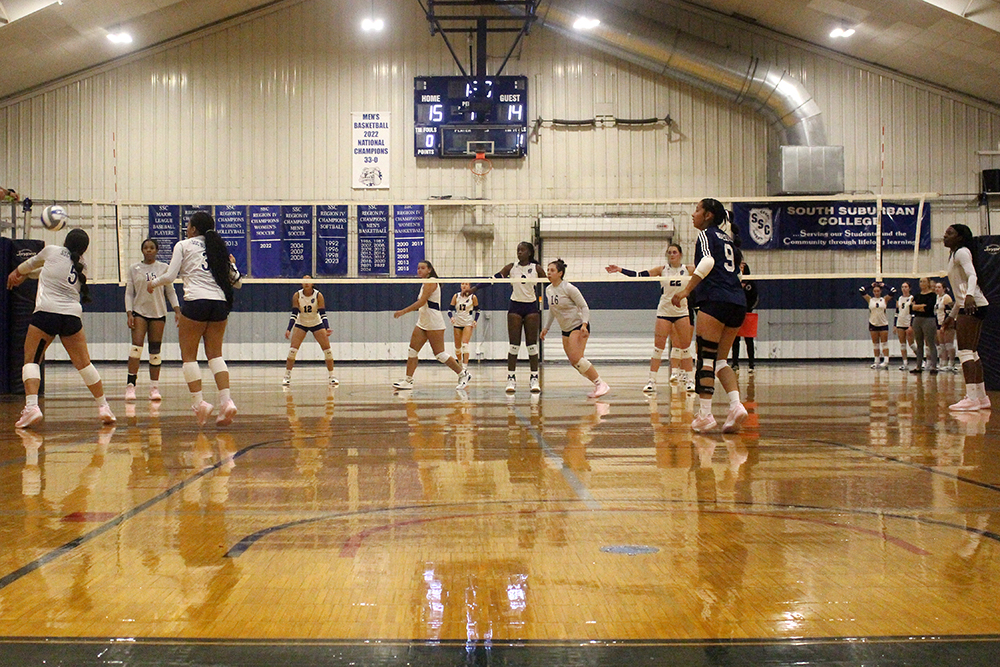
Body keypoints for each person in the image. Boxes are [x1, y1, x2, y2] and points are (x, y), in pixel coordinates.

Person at [7, 229, 116, 428]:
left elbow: (29, 265)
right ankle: (104, 407)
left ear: (66, 240)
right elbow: (45, 271)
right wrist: (26, 276)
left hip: (46, 314)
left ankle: (32, 407)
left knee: (31, 360)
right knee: (84, 364)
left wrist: (17, 273)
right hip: (72, 317)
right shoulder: (82, 266)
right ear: (84, 249)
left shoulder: (51, 251)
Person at [147, 211, 242, 427]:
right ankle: (226, 401)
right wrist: (233, 264)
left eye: (188, 225)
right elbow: (238, 283)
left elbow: (170, 276)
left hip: (196, 302)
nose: (187, 228)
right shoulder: (218, 248)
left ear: (193, 229)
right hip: (219, 304)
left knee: (189, 356)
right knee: (215, 355)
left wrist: (153, 283)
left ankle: (200, 404)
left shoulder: (184, 245)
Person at [670, 198, 748, 433]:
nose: (693, 214)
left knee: (705, 358)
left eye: (697, 210)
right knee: (721, 360)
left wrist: (686, 290)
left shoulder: (707, 235)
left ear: (708, 216)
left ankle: (705, 415)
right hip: (738, 303)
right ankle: (736, 406)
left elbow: (708, 261)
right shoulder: (730, 241)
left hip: (716, 301)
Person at [605, 243, 696, 393]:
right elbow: (638, 275)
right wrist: (619, 269)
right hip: (664, 312)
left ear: (680, 254)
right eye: (669, 252)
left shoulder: (688, 269)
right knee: (658, 349)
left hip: (681, 312)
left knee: (685, 348)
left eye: (674, 252)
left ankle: (690, 381)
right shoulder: (661, 270)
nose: (672, 254)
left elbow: (707, 272)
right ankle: (651, 382)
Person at [392, 260, 472, 391]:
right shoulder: (424, 283)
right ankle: (408, 380)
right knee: (412, 351)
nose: (419, 270)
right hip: (423, 322)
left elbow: (421, 302)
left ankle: (463, 374)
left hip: (434, 322)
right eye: (418, 268)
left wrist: (403, 311)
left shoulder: (431, 281)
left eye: (422, 268)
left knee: (440, 354)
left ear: (429, 270)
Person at [541, 259, 610, 398]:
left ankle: (601, 384)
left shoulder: (569, 288)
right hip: (565, 329)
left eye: (552, 270)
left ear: (560, 273)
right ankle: (598, 385)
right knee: (574, 362)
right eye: (548, 270)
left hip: (578, 326)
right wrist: (546, 328)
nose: (548, 273)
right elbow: (552, 310)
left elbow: (584, 307)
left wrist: (584, 324)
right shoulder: (548, 290)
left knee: (576, 358)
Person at [481, 242, 544, 393]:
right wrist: (475, 288)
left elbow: (551, 282)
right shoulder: (511, 267)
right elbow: (494, 279)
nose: (519, 252)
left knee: (532, 345)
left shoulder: (536, 268)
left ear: (529, 252)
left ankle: (534, 378)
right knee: (514, 346)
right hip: (515, 307)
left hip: (531, 307)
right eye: (518, 250)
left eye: (522, 250)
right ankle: (511, 379)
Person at [124, 238, 181, 401]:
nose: (148, 250)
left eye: (152, 248)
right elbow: (129, 293)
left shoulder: (164, 268)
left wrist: (177, 310)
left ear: (156, 250)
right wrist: (129, 312)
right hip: (139, 312)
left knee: (155, 352)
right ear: (142, 250)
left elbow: (170, 291)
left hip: (158, 313)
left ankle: (154, 388)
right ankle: (130, 386)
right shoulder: (134, 268)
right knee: (136, 348)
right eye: (146, 248)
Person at [942, 224, 991, 411]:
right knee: (973, 352)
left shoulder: (962, 252)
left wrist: (970, 296)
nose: (945, 235)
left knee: (965, 352)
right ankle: (981, 397)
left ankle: (971, 398)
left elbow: (972, 275)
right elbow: (959, 293)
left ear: (960, 237)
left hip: (972, 305)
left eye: (950, 233)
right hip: (970, 304)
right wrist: (951, 315)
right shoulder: (954, 254)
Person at [283, 275, 338, 387]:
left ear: (313, 283)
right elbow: (294, 313)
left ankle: (332, 376)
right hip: (301, 323)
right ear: (301, 283)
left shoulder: (318, 295)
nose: (306, 283)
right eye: (304, 281)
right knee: (292, 351)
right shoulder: (297, 295)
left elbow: (322, 313)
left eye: (309, 281)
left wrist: (327, 327)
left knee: (327, 350)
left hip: (316, 323)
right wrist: (289, 328)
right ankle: (287, 376)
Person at [730, 261, 758, 373]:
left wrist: (748, 309)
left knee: (749, 340)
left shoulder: (751, 283)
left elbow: (755, 298)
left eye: (743, 266)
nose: (741, 267)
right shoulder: (733, 282)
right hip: (736, 314)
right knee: (735, 340)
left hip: (747, 315)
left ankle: (751, 364)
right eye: (739, 266)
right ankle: (735, 363)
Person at [859, 283, 894, 369]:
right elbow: (861, 290)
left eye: (878, 291)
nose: (876, 292)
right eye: (874, 291)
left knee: (884, 343)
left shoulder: (884, 299)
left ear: (881, 291)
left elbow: (893, 291)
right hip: (873, 323)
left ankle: (886, 361)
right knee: (875, 344)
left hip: (883, 323)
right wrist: (870, 285)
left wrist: (884, 285)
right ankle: (877, 361)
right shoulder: (870, 299)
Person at [909, 277, 938, 374]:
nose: (922, 283)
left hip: (928, 320)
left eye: (924, 281)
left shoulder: (933, 295)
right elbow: (911, 309)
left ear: (928, 283)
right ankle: (918, 366)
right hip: (917, 320)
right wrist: (920, 307)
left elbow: (928, 308)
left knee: (930, 343)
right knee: (919, 343)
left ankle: (933, 367)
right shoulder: (916, 296)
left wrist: (916, 307)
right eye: (920, 281)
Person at [449, 282, 479, 369]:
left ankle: (465, 368)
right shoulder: (456, 296)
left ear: (469, 286)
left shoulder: (473, 297)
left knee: (465, 345)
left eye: (466, 284)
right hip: (457, 322)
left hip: (468, 322)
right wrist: (451, 317)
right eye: (462, 284)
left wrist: (475, 320)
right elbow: (449, 310)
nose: (464, 286)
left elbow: (478, 310)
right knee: (457, 348)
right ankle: (460, 364)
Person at [934, 281, 956, 372]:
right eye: (936, 287)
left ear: (943, 289)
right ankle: (943, 362)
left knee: (948, 344)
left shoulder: (946, 298)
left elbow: (950, 313)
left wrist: (944, 325)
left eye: (939, 287)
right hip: (939, 323)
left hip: (948, 323)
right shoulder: (937, 298)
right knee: (941, 345)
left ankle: (951, 363)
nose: (937, 289)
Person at [893, 281, 915, 371]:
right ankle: (905, 363)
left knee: (911, 344)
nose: (904, 288)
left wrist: (911, 325)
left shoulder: (912, 298)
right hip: (900, 323)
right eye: (902, 287)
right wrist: (895, 325)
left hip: (908, 323)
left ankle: (921, 360)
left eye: (906, 287)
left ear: (909, 288)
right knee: (902, 344)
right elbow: (896, 313)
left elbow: (913, 313)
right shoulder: (899, 298)